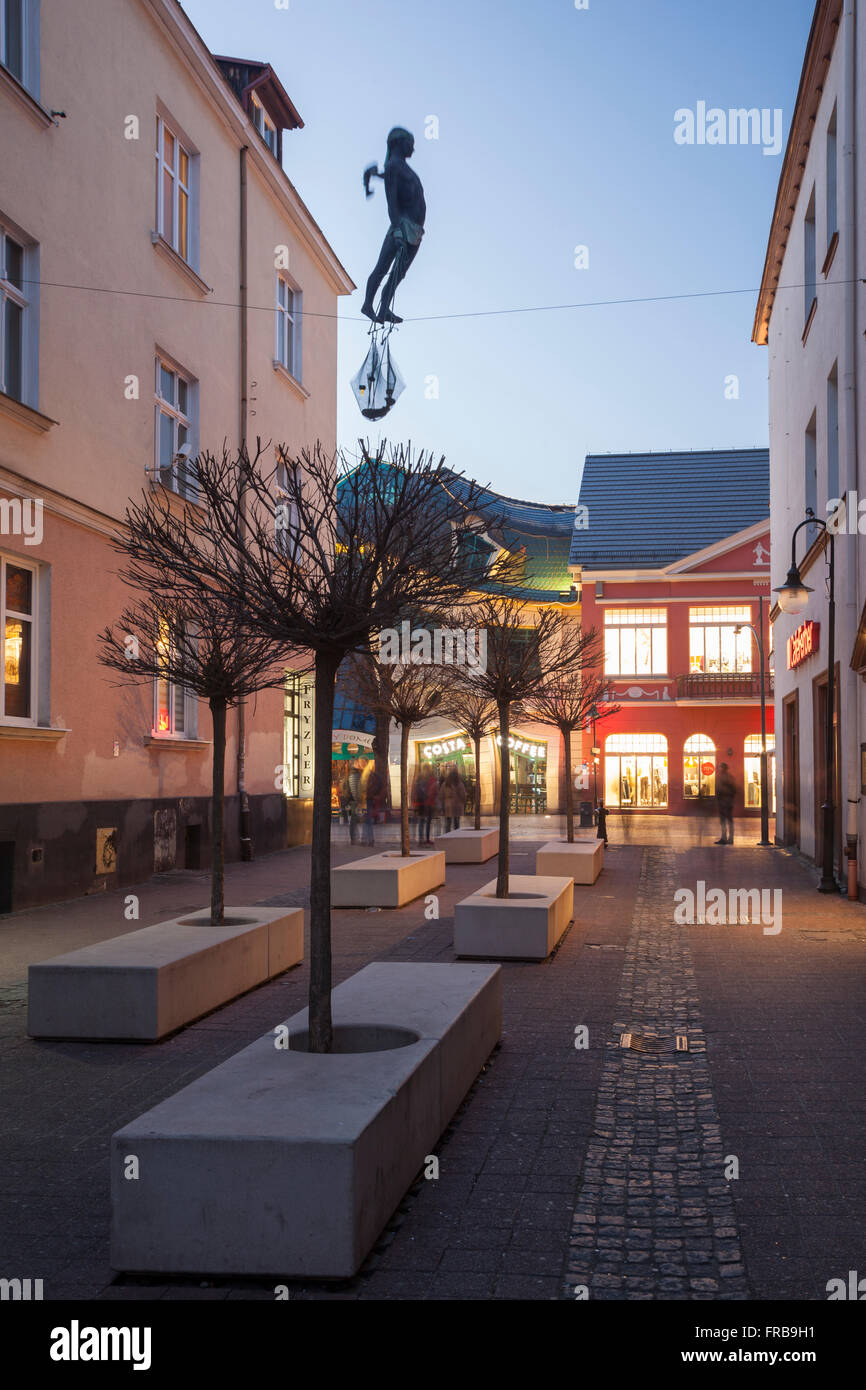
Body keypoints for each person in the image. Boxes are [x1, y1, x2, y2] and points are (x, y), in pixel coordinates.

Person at [361, 128, 426, 324]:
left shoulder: (398, 168)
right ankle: (368, 304)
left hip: (415, 230)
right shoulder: (394, 166)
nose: (413, 149)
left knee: (399, 272)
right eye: (410, 143)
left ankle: (384, 308)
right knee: (383, 267)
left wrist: (375, 176)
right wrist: (397, 229)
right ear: (399, 142)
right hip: (402, 226)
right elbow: (392, 202)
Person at [715, 762, 737, 845]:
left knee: (725, 820)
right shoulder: (728, 777)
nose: (719, 769)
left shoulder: (725, 778)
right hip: (726, 802)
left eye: (720, 767)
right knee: (727, 820)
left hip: (725, 802)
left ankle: (726, 838)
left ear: (723, 768)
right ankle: (727, 838)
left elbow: (732, 790)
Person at [443, 767, 467, 833]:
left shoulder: (445, 784)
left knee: (448, 822)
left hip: (448, 805)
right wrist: (464, 801)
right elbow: (463, 795)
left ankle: (447, 836)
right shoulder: (459, 784)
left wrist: (443, 803)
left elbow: (441, 795)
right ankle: (456, 835)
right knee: (456, 823)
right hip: (457, 805)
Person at [364, 767, 385, 846]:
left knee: (367, 821)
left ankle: (369, 839)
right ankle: (369, 839)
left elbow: (367, 789)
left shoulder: (370, 777)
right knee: (367, 820)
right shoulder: (375, 777)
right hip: (371, 799)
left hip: (368, 799)